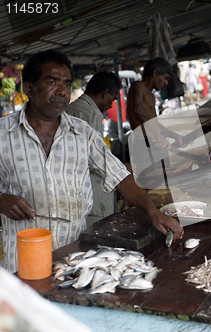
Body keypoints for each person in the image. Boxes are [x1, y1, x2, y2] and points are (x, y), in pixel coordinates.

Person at [0, 50, 183, 273]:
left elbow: (121, 178)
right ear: (29, 88)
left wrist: (154, 213)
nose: (61, 92)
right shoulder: (3, 133)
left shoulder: (83, 133)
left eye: (67, 85)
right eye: (52, 82)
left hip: (73, 259)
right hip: (21, 260)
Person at [65, 72, 122, 223]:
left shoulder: (74, 108)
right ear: (106, 93)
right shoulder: (89, 113)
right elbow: (94, 159)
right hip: (91, 199)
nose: (110, 105)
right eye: (113, 99)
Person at [127, 57, 183, 149]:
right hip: (142, 142)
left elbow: (155, 123)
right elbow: (137, 109)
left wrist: (174, 135)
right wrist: (158, 135)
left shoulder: (151, 96)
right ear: (155, 73)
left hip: (154, 141)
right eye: (165, 78)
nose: (166, 83)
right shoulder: (138, 85)